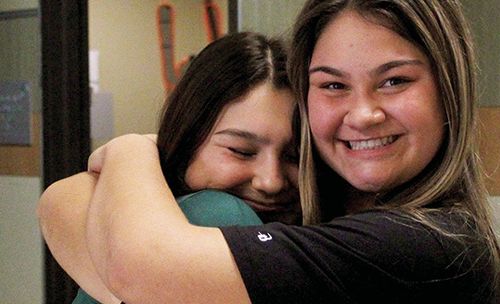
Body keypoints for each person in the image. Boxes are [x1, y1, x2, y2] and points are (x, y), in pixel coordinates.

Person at [38, 1, 500, 303]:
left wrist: (128, 149)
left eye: (395, 80)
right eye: (332, 85)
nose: (363, 113)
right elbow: (62, 202)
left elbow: (142, 268)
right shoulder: (326, 209)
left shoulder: (420, 243)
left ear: (450, 88)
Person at [39, 32, 302, 304]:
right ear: (188, 138)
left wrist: (130, 149)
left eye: (295, 156)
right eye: (241, 151)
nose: (271, 181)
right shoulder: (219, 213)